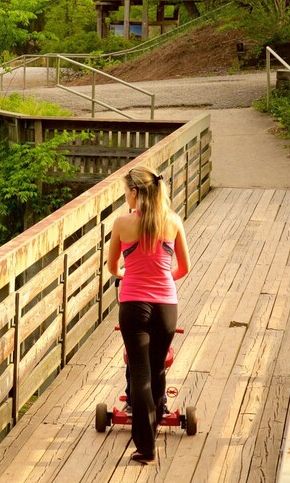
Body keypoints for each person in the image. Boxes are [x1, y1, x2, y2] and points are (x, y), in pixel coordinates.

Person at [106, 165, 190, 465]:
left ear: (135, 192)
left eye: (125, 192)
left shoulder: (122, 223)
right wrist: (162, 279)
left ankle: (146, 447)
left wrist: (127, 275)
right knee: (157, 370)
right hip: (166, 307)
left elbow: (112, 267)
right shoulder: (173, 221)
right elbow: (184, 267)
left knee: (140, 372)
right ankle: (153, 430)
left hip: (133, 306)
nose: (125, 197)